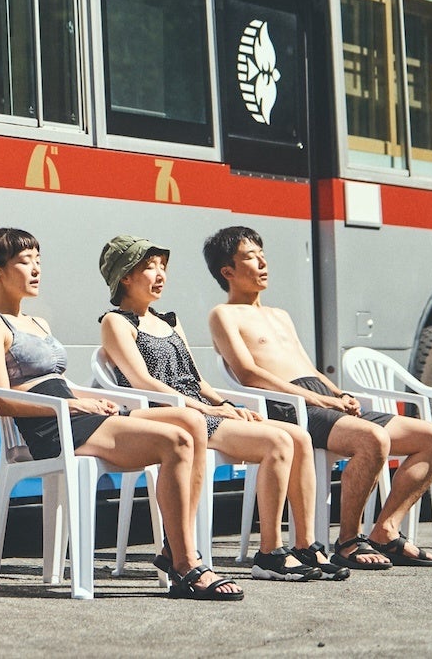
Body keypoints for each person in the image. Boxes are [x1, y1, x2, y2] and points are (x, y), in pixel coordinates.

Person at [0, 221, 244, 601]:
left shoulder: (38, 321)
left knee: (193, 420)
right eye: (24, 262)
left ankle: (176, 545)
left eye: (38, 260)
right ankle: (186, 561)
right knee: (177, 440)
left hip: (77, 413)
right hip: (53, 426)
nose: (36, 269)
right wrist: (72, 403)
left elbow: (58, 380)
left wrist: (88, 399)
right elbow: (1, 399)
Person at [97, 235, 346, 583]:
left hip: (200, 410)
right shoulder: (116, 322)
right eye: (149, 267)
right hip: (167, 416)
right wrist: (205, 409)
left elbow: (196, 378)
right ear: (125, 276)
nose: (160, 274)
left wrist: (225, 404)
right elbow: (142, 382)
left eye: (162, 267)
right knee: (278, 443)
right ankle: (270, 553)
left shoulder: (168, 320)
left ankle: (304, 545)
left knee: (298, 438)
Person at [204, 224, 432, 572]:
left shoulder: (280, 315)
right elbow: (248, 373)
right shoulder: (223, 314)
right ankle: (349, 541)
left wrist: (337, 393)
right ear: (227, 271)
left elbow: (308, 366)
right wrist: (318, 400)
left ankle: (385, 530)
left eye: (263, 255)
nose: (262, 263)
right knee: (373, 439)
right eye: (250, 257)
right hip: (286, 405)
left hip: (320, 399)